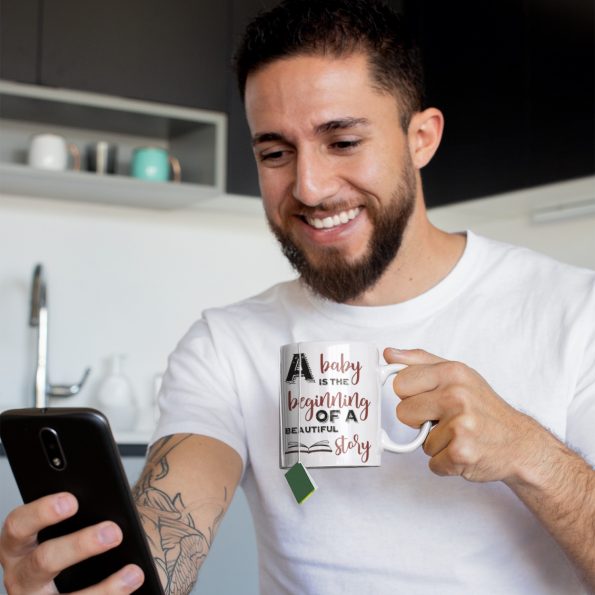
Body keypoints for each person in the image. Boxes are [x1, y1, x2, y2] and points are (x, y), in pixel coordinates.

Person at [1, 0, 594, 593]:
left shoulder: (575, 312)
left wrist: (529, 453)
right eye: (275, 153)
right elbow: (170, 522)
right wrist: (101, 576)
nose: (308, 187)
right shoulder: (227, 344)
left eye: (342, 142)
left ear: (421, 138)